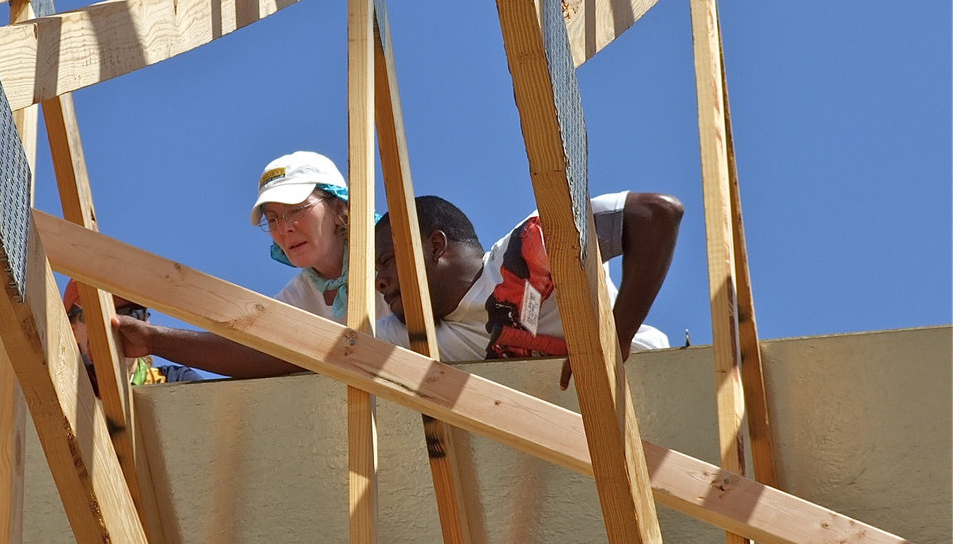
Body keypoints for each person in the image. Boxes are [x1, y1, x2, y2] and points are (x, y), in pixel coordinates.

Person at [111, 151, 388, 378]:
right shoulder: (298, 298)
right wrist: (151, 339)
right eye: (273, 218)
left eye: (296, 210)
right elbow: (250, 354)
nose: (285, 228)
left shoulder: (392, 259)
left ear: (339, 206)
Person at [373, 192, 682, 387]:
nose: (379, 281)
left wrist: (616, 341)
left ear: (436, 247)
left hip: (660, 384)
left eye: (386, 261)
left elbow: (658, 214)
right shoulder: (415, 334)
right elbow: (335, 346)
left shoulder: (526, 250)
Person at [63, 279, 202, 394]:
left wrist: (154, 341)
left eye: (131, 313)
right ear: (72, 330)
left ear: (146, 323)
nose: (117, 324)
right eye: (95, 314)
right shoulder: (58, 391)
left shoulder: (174, 381)